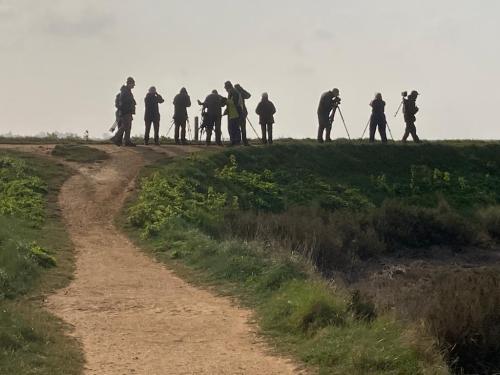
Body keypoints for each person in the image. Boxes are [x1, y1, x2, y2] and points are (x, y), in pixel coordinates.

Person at [113, 77, 137, 147]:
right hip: (125, 111)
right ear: (129, 83)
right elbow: (121, 102)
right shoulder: (125, 91)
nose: (134, 85)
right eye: (133, 84)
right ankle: (115, 138)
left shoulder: (127, 91)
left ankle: (127, 141)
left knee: (128, 127)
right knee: (125, 126)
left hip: (128, 111)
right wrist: (121, 111)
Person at [224, 81, 242, 146]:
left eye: (225, 88)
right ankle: (235, 141)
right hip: (235, 112)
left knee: (232, 127)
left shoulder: (232, 91)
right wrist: (226, 110)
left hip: (234, 112)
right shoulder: (234, 91)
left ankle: (235, 142)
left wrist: (225, 101)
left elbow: (233, 102)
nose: (225, 89)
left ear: (227, 87)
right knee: (235, 127)